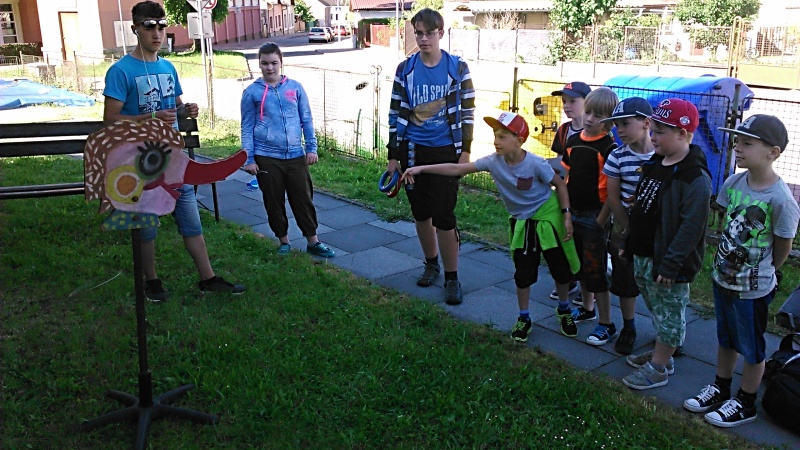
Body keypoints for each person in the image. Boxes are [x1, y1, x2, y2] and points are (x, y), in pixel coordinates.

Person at [103, 0, 245, 301]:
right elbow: (110, 119)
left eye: (161, 26)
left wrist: (186, 109)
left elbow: (175, 107)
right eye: (149, 26)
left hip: (173, 160)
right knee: (147, 228)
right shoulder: (120, 71)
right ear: (135, 29)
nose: (157, 33)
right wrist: (150, 118)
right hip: (139, 163)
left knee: (191, 221)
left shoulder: (168, 68)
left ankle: (208, 278)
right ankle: (152, 282)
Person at [402, 112, 580, 340]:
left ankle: (564, 309)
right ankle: (524, 317)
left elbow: (560, 185)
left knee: (560, 270)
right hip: (523, 222)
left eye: (503, 136)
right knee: (523, 273)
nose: (496, 141)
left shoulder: (536, 164)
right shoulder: (492, 162)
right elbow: (457, 169)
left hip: (548, 218)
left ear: (519, 140)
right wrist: (421, 169)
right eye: (495, 135)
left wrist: (566, 216)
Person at [684, 115, 800, 427]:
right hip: (723, 279)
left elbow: (783, 246)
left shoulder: (781, 200)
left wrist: (766, 273)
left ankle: (746, 402)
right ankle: (721, 387)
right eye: (737, 141)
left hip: (753, 290)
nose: (737, 147)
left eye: (747, 143)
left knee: (751, 347)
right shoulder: (733, 183)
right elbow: (727, 225)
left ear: (773, 152)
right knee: (726, 339)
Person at [386, 8, 475, 305]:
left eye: (429, 33)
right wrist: (393, 156)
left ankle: (452, 277)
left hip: (446, 151)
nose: (424, 39)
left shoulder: (457, 68)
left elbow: (468, 111)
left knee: (444, 216)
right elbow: (395, 112)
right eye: (419, 34)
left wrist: (465, 151)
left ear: (441, 33)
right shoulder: (405, 69)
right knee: (421, 213)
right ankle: (431, 264)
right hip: (412, 151)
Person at [622, 98, 711, 390]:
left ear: (683, 134)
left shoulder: (694, 177)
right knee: (657, 309)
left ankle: (658, 368)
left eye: (660, 132)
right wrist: (630, 242)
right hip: (645, 254)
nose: (653, 137)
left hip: (668, 263)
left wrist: (671, 264)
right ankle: (664, 355)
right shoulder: (656, 162)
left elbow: (692, 227)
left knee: (670, 314)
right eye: (653, 130)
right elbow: (642, 206)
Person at [240, 43, 335, 258]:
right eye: (264, 63)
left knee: (303, 199)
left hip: (295, 155)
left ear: (281, 63)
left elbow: (306, 119)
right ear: (259, 64)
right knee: (273, 201)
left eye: (274, 63)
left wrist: (311, 148)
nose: (269, 68)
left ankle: (313, 241)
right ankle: (283, 241)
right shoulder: (252, 92)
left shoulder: (295, 88)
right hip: (266, 156)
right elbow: (246, 127)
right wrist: (249, 158)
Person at [560, 87, 618, 345]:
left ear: (610, 121)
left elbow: (611, 190)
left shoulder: (609, 147)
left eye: (599, 115)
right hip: (573, 213)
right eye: (589, 112)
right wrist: (566, 212)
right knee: (580, 267)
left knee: (597, 271)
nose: (591, 118)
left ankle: (606, 323)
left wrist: (601, 220)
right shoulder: (573, 142)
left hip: (595, 216)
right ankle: (587, 308)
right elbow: (566, 177)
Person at [598, 97, 655, 355]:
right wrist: (629, 228)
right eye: (616, 125)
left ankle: (665, 332)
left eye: (625, 123)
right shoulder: (617, 156)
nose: (619, 130)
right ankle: (629, 327)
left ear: (646, 123)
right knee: (625, 280)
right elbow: (613, 198)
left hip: (654, 231)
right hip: (624, 228)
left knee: (656, 282)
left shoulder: (662, 156)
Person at [548, 81, 592, 303]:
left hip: (588, 198)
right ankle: (570, 279)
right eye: (564, 101)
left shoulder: (596, 131)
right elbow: (559, 161)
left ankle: (589, 290)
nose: (566, 106)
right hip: (564, 194)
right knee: (566, 238)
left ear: (588, 103)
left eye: (572, 101)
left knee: (587, 244)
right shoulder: (564, 130)